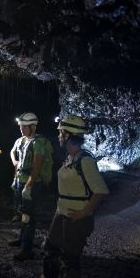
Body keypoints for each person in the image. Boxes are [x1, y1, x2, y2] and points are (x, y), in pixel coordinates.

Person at [42, 115, 109, 278]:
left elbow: (100, 190)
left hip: (76, 218)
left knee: (70, 260)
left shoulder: (85, 160)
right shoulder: (71, 156)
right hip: (61, 213)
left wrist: (83, 214)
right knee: (50, 248)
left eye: (61, 133)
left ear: (67, 135)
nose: (59, 136)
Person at [8, 112, 45, 261]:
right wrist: (15, 162)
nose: (21, 129)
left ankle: (27, 249)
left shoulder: (38, 142)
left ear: (32, 126)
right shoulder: (21, 140)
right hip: (19, 179)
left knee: (29, 216)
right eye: (20, 126)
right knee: (21, 211)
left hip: (32, 182)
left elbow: (37, 166)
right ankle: (22, 238)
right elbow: (12, 152)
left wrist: (29, 186)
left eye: (24, 126)